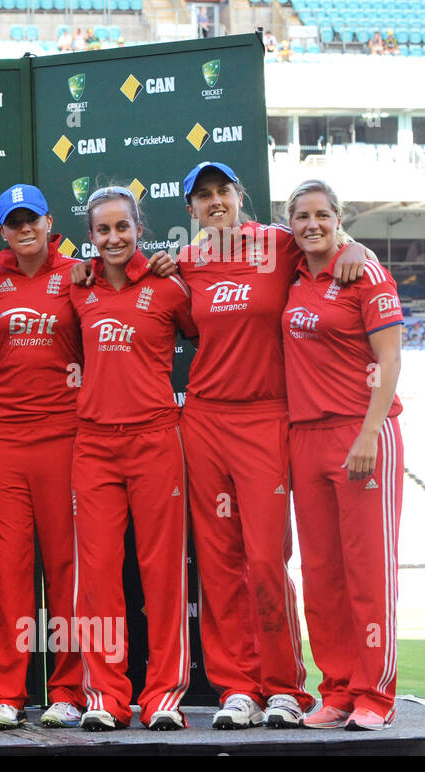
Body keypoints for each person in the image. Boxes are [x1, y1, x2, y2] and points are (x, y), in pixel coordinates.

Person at [173, 162, 365, 730]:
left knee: (265, 558)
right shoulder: (187, 262)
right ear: (191, 210)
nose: (214, 203)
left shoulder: (279, 245)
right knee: (218, 561)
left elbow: (325, 236)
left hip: (265, 418)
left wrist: (360, 249)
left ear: (239, 197)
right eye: (202, 196)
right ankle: (237, 686)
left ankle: (284, 686)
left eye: (222, 192)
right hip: (204, 418)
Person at [69, 186, 195, 731]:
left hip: (155, 439)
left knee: (162, 573)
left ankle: (164, 692)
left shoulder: (170, 287)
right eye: (103, 230)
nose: (114, 238)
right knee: (97, 577)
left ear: (139, 229)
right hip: (94, 444)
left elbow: (217, 323)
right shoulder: (75, 288)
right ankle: (106, 695)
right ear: (90, 236)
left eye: (123, 227)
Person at [283, 180, 404, 731]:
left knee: (366, 571)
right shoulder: (293, 273)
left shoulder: (365, 272)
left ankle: (374, 695)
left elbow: (390, 360)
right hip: (305, 437)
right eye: (301, 216)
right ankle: (334, 688)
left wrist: (367, 433)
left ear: (339, 218)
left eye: (323, 215)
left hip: (362, 433)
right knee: (322, 574)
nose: (312, 224)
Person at [0, 184, 87, 730]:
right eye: (12, 221)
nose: (24, 228)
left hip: (65, 434)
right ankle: (4, 691)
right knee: (5, 569)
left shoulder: (79, 275)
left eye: (32, 219)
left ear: (49, 222)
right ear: (2, 231)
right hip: (3, 436)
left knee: (66, 567)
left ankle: (67, 688)